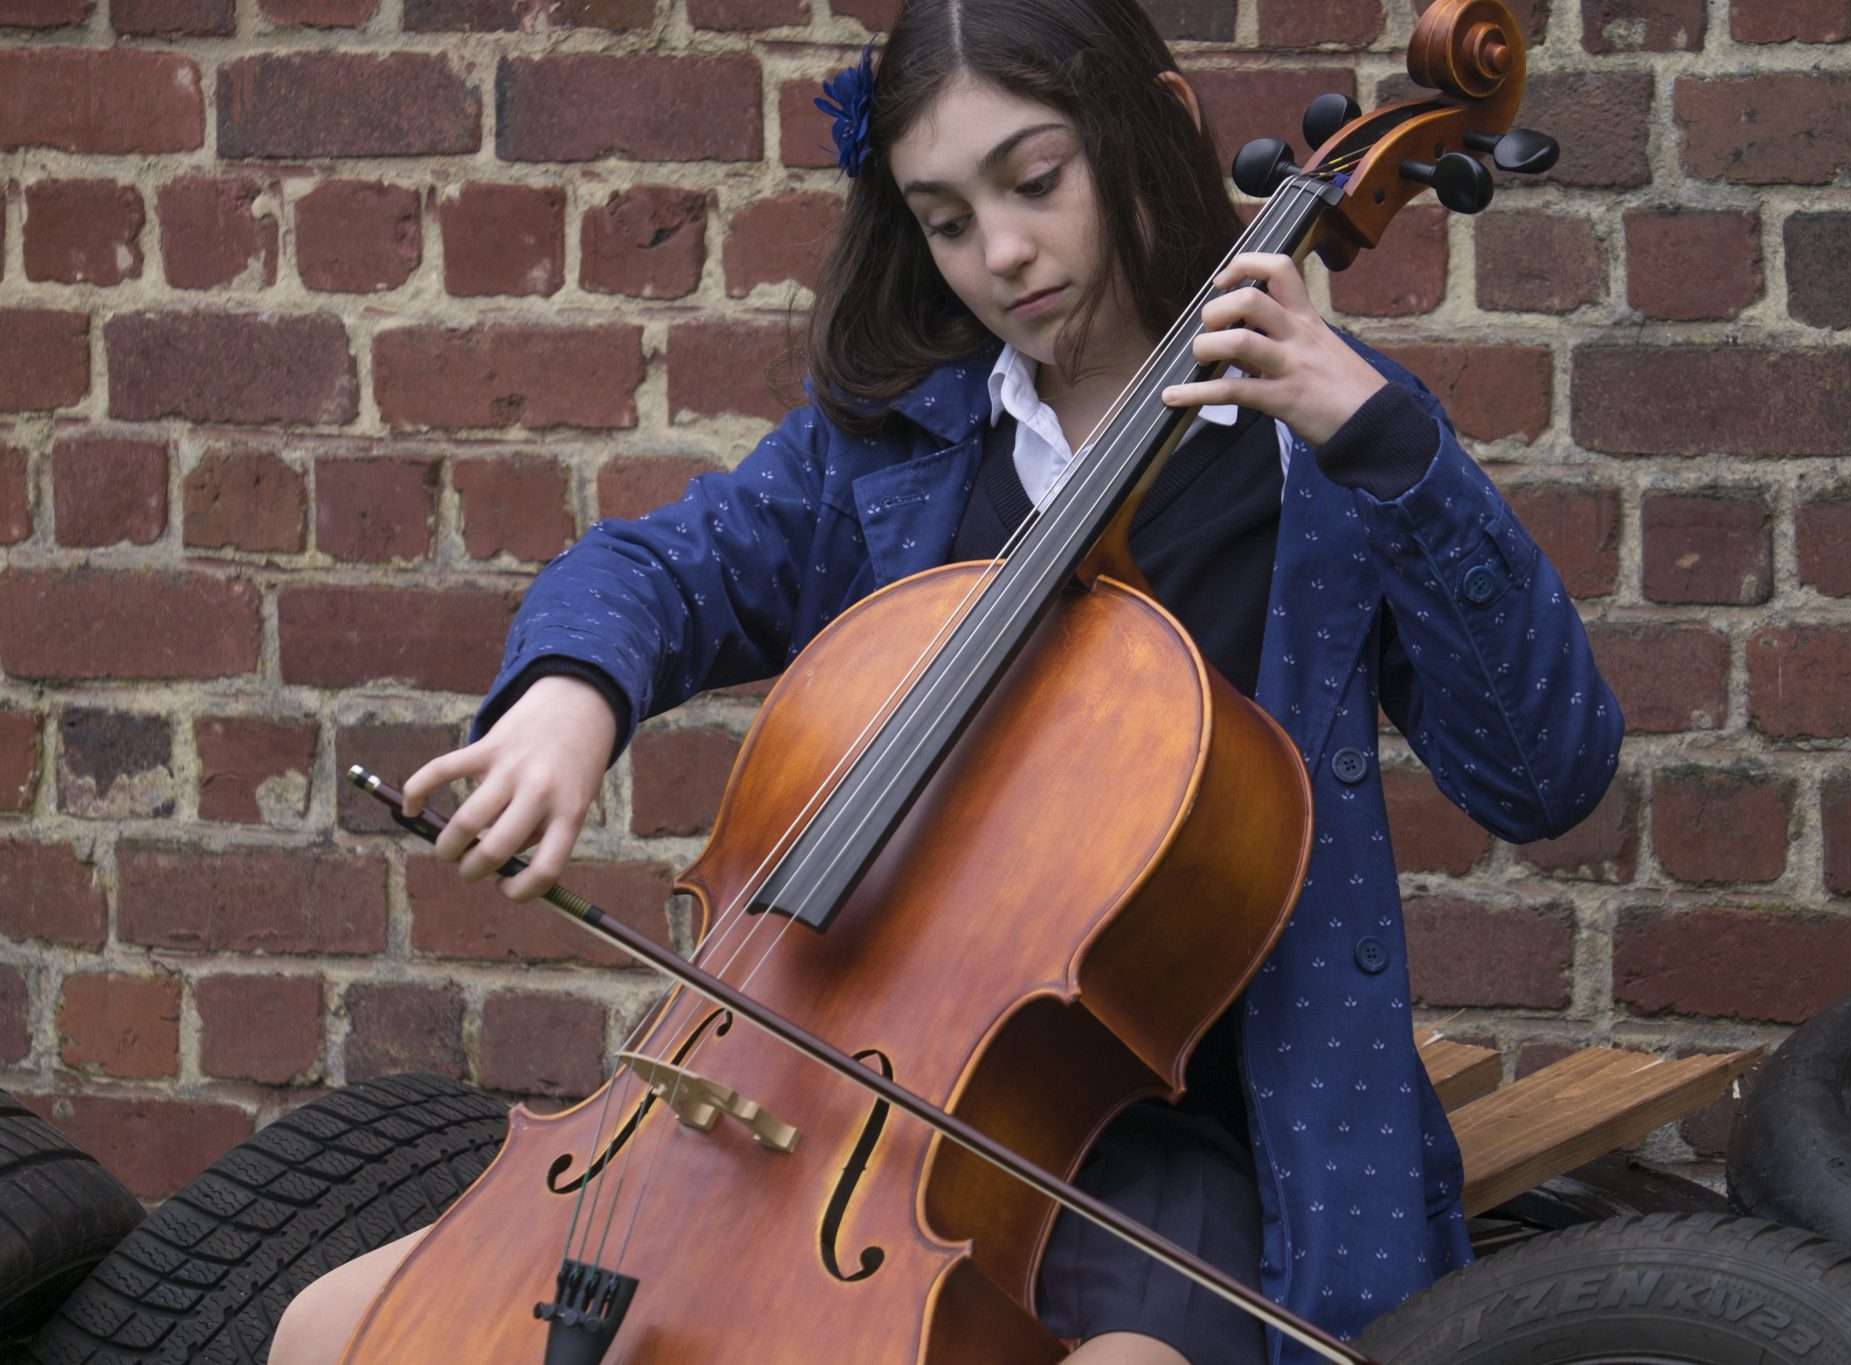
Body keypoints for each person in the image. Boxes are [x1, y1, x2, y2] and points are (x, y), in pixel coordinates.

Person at [271, 1, 1622, 1361]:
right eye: (947, 217)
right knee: (336, 1330)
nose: (1003, 255)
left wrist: (1391, 447)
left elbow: (1545, 768)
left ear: (1149, 121)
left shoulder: (1326, 458)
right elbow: (663, 570)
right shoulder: (901, 450)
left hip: (1165, 1144)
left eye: (1035, 183)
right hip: (810, 1097)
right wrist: (569, 701)